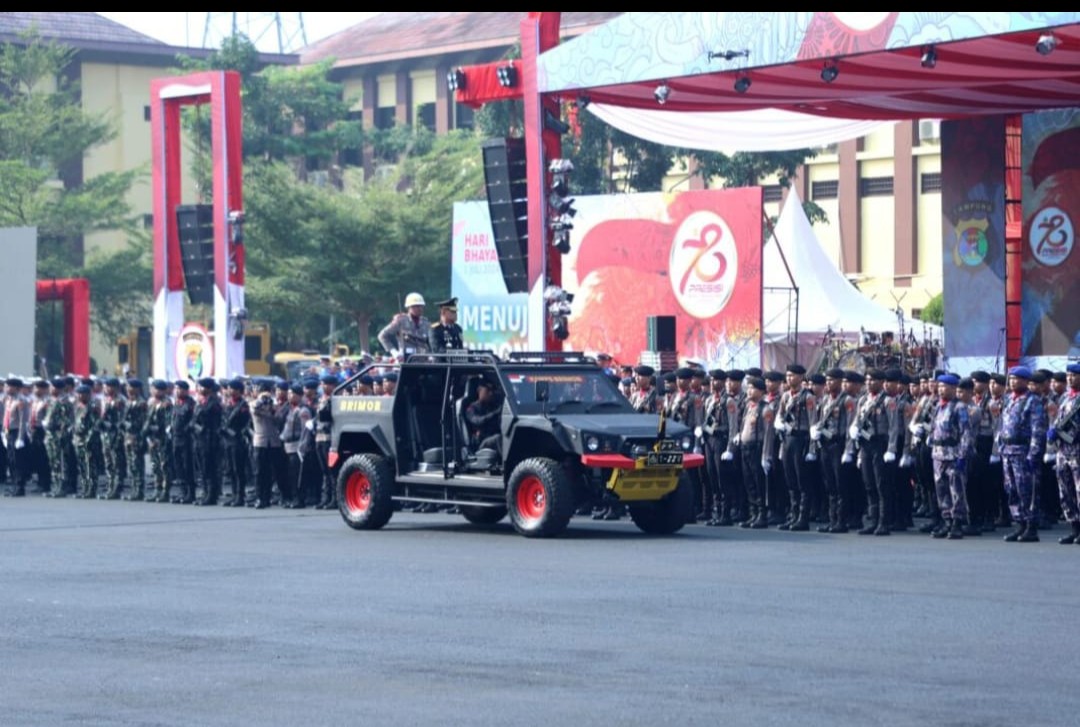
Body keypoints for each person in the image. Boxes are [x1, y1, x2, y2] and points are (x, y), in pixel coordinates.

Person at [998, 366, 1047, 543]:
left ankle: (1031, 526)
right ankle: (1019, 524)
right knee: (1011, 489)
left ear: (1026, 381)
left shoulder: (1032, 401)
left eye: (1017, 379)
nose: (1012, 382)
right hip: (1008, 452)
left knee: (1027, 490)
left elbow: (1038, 430)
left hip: (1023, 452)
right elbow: (1002, 425)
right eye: (1011, 379)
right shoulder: (1009, 400)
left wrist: (1034, 455)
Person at [928, 374, 974, 540]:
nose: (941, 390)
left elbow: (966, 434)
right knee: (941, 489)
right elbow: (934, 428)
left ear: (954, 388)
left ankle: (957, 523)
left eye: (944, 387)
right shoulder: (938, 406)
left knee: (956, 490)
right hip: (938, 454)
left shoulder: (959, 407)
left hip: (953, 454)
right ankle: (946, 520)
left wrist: (962, 455)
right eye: (939, 386)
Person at [144, 380, 173, 502]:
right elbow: (147, 420)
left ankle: (165, 491)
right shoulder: (150, 402)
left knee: (164, 466)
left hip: (162, 439)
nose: (153, 391)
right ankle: (157, 489)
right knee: (154, 465)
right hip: (152, 438)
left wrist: (160, 435)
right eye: (153, 388)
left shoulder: (166, 403)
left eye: (156, 389)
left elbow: (168, 424)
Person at [378, 292, 431, 358]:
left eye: (421, 306)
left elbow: (430, 341)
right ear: (409, 307)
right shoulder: (400, 321)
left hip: (423, 360)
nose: (419, 309)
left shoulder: (425, 323)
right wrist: (394, 352)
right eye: (416, 306)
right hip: (406, 359)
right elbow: (382, 336)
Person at [122, 379, 148, 501]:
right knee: (131, 464)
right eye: (127, 387)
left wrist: (131, 426)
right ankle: (134, 489)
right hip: (128, 437)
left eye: (130, 387)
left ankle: (139, 490)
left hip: (136, 437)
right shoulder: (129, 402)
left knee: (137, 464)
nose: (128, 389)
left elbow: (143, 421)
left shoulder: (141, 403)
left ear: (137, 389)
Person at [464, 380, 502, 455]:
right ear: (479, 390)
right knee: (498, 438)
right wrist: (494, 414)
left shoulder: (493, 406)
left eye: (492, 391)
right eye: (487, 391)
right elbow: (477, 421)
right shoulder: (472, 408)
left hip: (492, 437)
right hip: (481, 443)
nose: (491, 394)